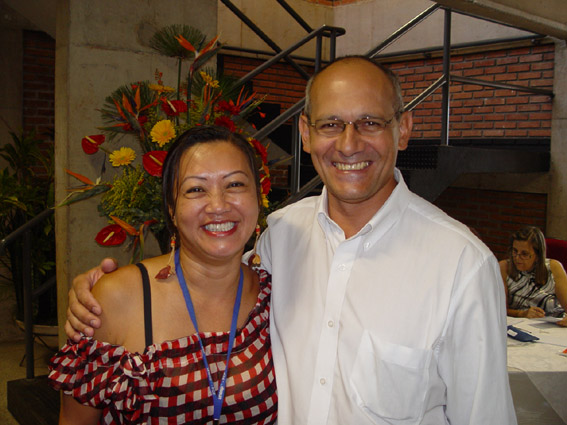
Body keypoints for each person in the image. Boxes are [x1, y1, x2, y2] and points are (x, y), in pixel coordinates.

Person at [65, 56, 517, 424]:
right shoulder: (281, 235)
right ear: (305, 134)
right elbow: (206, 271)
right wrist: (104, 297)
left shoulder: (461, 265)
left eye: (370, 122)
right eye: (331, 124)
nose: (349, 144)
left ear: (404, 129)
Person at [49, 126, 277, 424]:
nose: (218, 205)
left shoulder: (272, 296)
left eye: (235, 184)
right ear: (171, 208)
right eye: (196, 189)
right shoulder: (117, 298)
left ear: (258, 197)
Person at [499, 226, 567, 327]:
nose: (517, 258)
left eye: (524, 254)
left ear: (538, 255)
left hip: (553, 326)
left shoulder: (553, 267)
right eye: (515, 251)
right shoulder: (504, 268)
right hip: (519, 326)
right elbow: (499, 310)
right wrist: (522, 313)